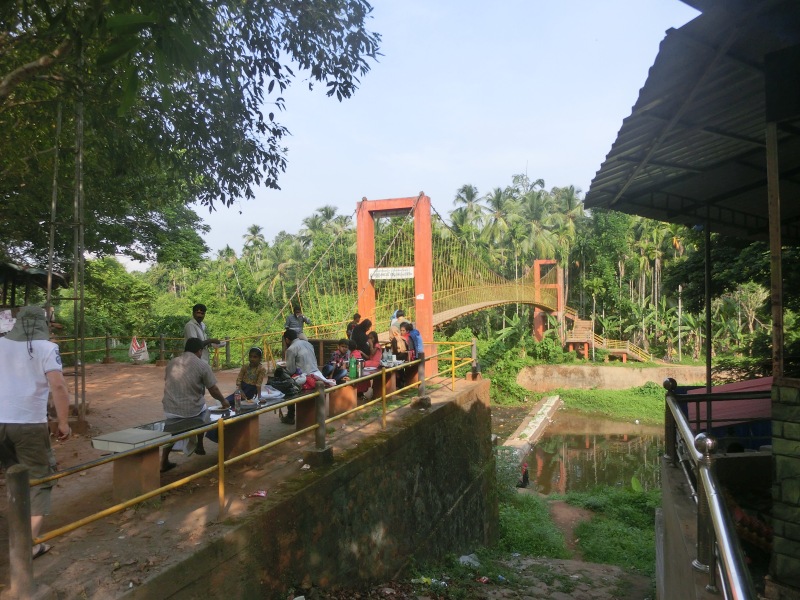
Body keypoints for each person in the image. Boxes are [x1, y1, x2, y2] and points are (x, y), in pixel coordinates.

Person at [0, 305, 71, 559]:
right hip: (29, 424)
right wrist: (63, 422)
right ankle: (27, 546)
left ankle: (18, 530)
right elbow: (58, 386)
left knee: (14, 476)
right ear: (45, 323)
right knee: (40, 480)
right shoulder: (47, 348)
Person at [161, 337, 229, 472]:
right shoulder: (202, 365)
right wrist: (223, 401)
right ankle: (199, 444)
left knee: (172, 431)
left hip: (169, 409)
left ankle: (163, 461)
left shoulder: (172, 362)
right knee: (204, 410)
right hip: (191, 411)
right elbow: (213, 389)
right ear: (199, 350)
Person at [281, 329, 334, 424]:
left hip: (305, 378)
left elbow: (291, 370)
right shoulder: (308, 344)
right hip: (317, 374)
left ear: (287, 340)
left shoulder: (291, 349)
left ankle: (290, 415)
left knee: (287, 383)